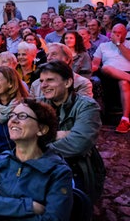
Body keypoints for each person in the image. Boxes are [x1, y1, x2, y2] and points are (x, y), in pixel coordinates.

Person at [0, 99, 73, 220]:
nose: (13, 120)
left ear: (41, 129)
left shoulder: (57, 172)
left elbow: (53, 219)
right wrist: (29, 206)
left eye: (22, 116)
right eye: (11, 115)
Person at [39, 61, 104, 203]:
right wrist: (60, 134)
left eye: (50, 80)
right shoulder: (39, 105)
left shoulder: (87, 106)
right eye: (42, 81)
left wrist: (37, 149)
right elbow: (21, 133)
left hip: (77, 168)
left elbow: (78, 143)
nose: (43, 85)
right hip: (44, 166)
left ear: (68, 82)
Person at [92, 24, 130, 133]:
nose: (116, 35)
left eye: (119, 33)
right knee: (106, 67)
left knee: (123, 82)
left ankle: (125, 120)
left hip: (126, 73)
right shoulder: (103, 46)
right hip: (108, 74)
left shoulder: (129, 43)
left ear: (125, 34)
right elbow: (95, 64)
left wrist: (118, 44)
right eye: (114, 32)